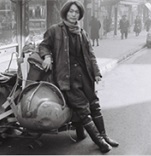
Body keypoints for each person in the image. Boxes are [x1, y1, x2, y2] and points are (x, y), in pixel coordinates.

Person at [38, 0, 119, 153]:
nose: (73, 14)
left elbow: (91, 54)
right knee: (83, 109)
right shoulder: (55, 30)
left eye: (76, 12)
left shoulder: (82, 33)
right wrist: (47, 57)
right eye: (71, 11)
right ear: (65, 12)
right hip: (67, 78)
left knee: (94, 104)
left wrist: (96, 73)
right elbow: (43, 45)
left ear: (79, 15)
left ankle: (104, 135)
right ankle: (100, 142)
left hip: (85, 75)